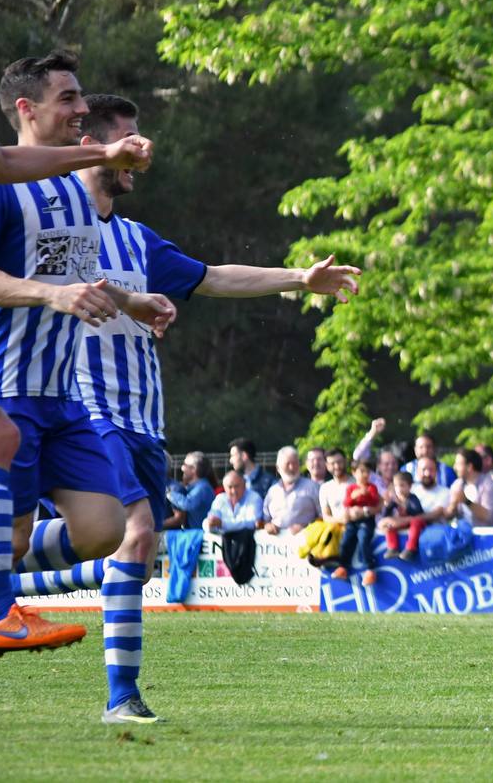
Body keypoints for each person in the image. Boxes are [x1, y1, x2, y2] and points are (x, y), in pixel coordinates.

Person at [47, 92, 356, 722]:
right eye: (129, 140)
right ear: (93, 147)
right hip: (86, 407)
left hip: (142, 419)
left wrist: (299, 278)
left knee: (121, 546)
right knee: (131, 537)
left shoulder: (138, 240)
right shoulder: (54, 227)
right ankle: (121, 698)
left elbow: (216, 277)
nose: (142, 152)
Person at [0, 0, 156, 731]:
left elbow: (13, 170)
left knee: (105, 529)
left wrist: (125, 296)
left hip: (53, 391)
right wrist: (52, 294)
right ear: (29, 107)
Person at [335, 461, 381, 586]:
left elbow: (376, 501)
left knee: (363, 539)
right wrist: (354, 497)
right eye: (362, 471)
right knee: (345, 541)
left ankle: (370, 569)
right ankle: (343, 567)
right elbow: (346, 503)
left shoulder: (372, 487)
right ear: (354, 473)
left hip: (367, 520)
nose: (365, 474)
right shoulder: (351, 488)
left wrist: (367, 495)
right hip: (352, 521)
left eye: (367, 472)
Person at [262, 446, 321, 535]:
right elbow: (265, 519)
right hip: (277, 545)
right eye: (287, 464)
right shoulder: (272, 491)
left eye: (295, 463)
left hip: (307, 542)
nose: (291, 467)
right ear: (278, 468)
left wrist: (307, 526)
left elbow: (324, 516)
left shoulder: (313, 487)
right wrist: (268, 526)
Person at [377, 471, 425, 560]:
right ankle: (392, 547)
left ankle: (411, 548)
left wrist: (404, 506)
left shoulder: (412, 498)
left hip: (415, 522)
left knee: (416, 522)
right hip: (402, 523)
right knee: (390, 525)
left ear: (410, 486)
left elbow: (417, 511)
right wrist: (387, 506)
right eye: (396, 486)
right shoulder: (395, 500)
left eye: (402, 485)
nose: (399, 489)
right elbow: (385, 515)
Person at [163, 451, 217, 531]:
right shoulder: (196, 487)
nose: (182, 468)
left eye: (185, 465)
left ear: (194, 469)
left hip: (201, 535)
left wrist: (169, 493)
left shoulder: (202, 487)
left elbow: (188, 504)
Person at [454, 448, 493, 525]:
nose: (455, 467)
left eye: (458, 464)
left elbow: (489, 516)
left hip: (483, 535)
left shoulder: (488, 485)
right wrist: (452, 506)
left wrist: (466, 501)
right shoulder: (457, 484)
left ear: (469, 467)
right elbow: (448, 514)